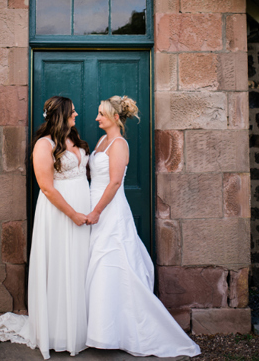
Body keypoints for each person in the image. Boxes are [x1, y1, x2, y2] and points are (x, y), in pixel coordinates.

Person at [85, 96, 200, 357]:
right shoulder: (102, 141)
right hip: (95, 204)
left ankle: (120, 332)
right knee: (96, 263)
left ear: (115, 117)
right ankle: (99, 330)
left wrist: (96, 211)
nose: (97, 118)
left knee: (111, 262)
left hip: (109, 211)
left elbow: (114, 183)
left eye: (101, 114)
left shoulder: (119, 144)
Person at [0, 96, 91, 359]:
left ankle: (81, 329)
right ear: (61, 115)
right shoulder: (43, 145)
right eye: (72, 111)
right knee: (60, 266)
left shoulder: (75, 141)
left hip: (83, 213)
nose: (77, 114)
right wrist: (73, 214)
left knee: (80, 267)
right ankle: (58, 332)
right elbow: (46, 187)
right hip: (60, 215)